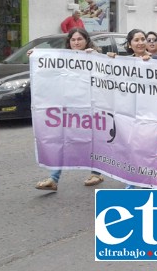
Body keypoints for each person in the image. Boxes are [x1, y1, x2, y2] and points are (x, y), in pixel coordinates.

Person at [35, 28, 104, 191]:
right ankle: (53, 178)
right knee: (62, 140)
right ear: (69, 42)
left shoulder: (95, 56)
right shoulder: (63, 58)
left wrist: (94, 57)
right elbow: (48, 70)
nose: (76, 42)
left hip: (91, 107)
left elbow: (106, 76)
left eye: (80, 39)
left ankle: (97, 173)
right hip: (69, 107)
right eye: (73, 40)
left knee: (95, 141)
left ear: (86, 40)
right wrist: (35, 56)